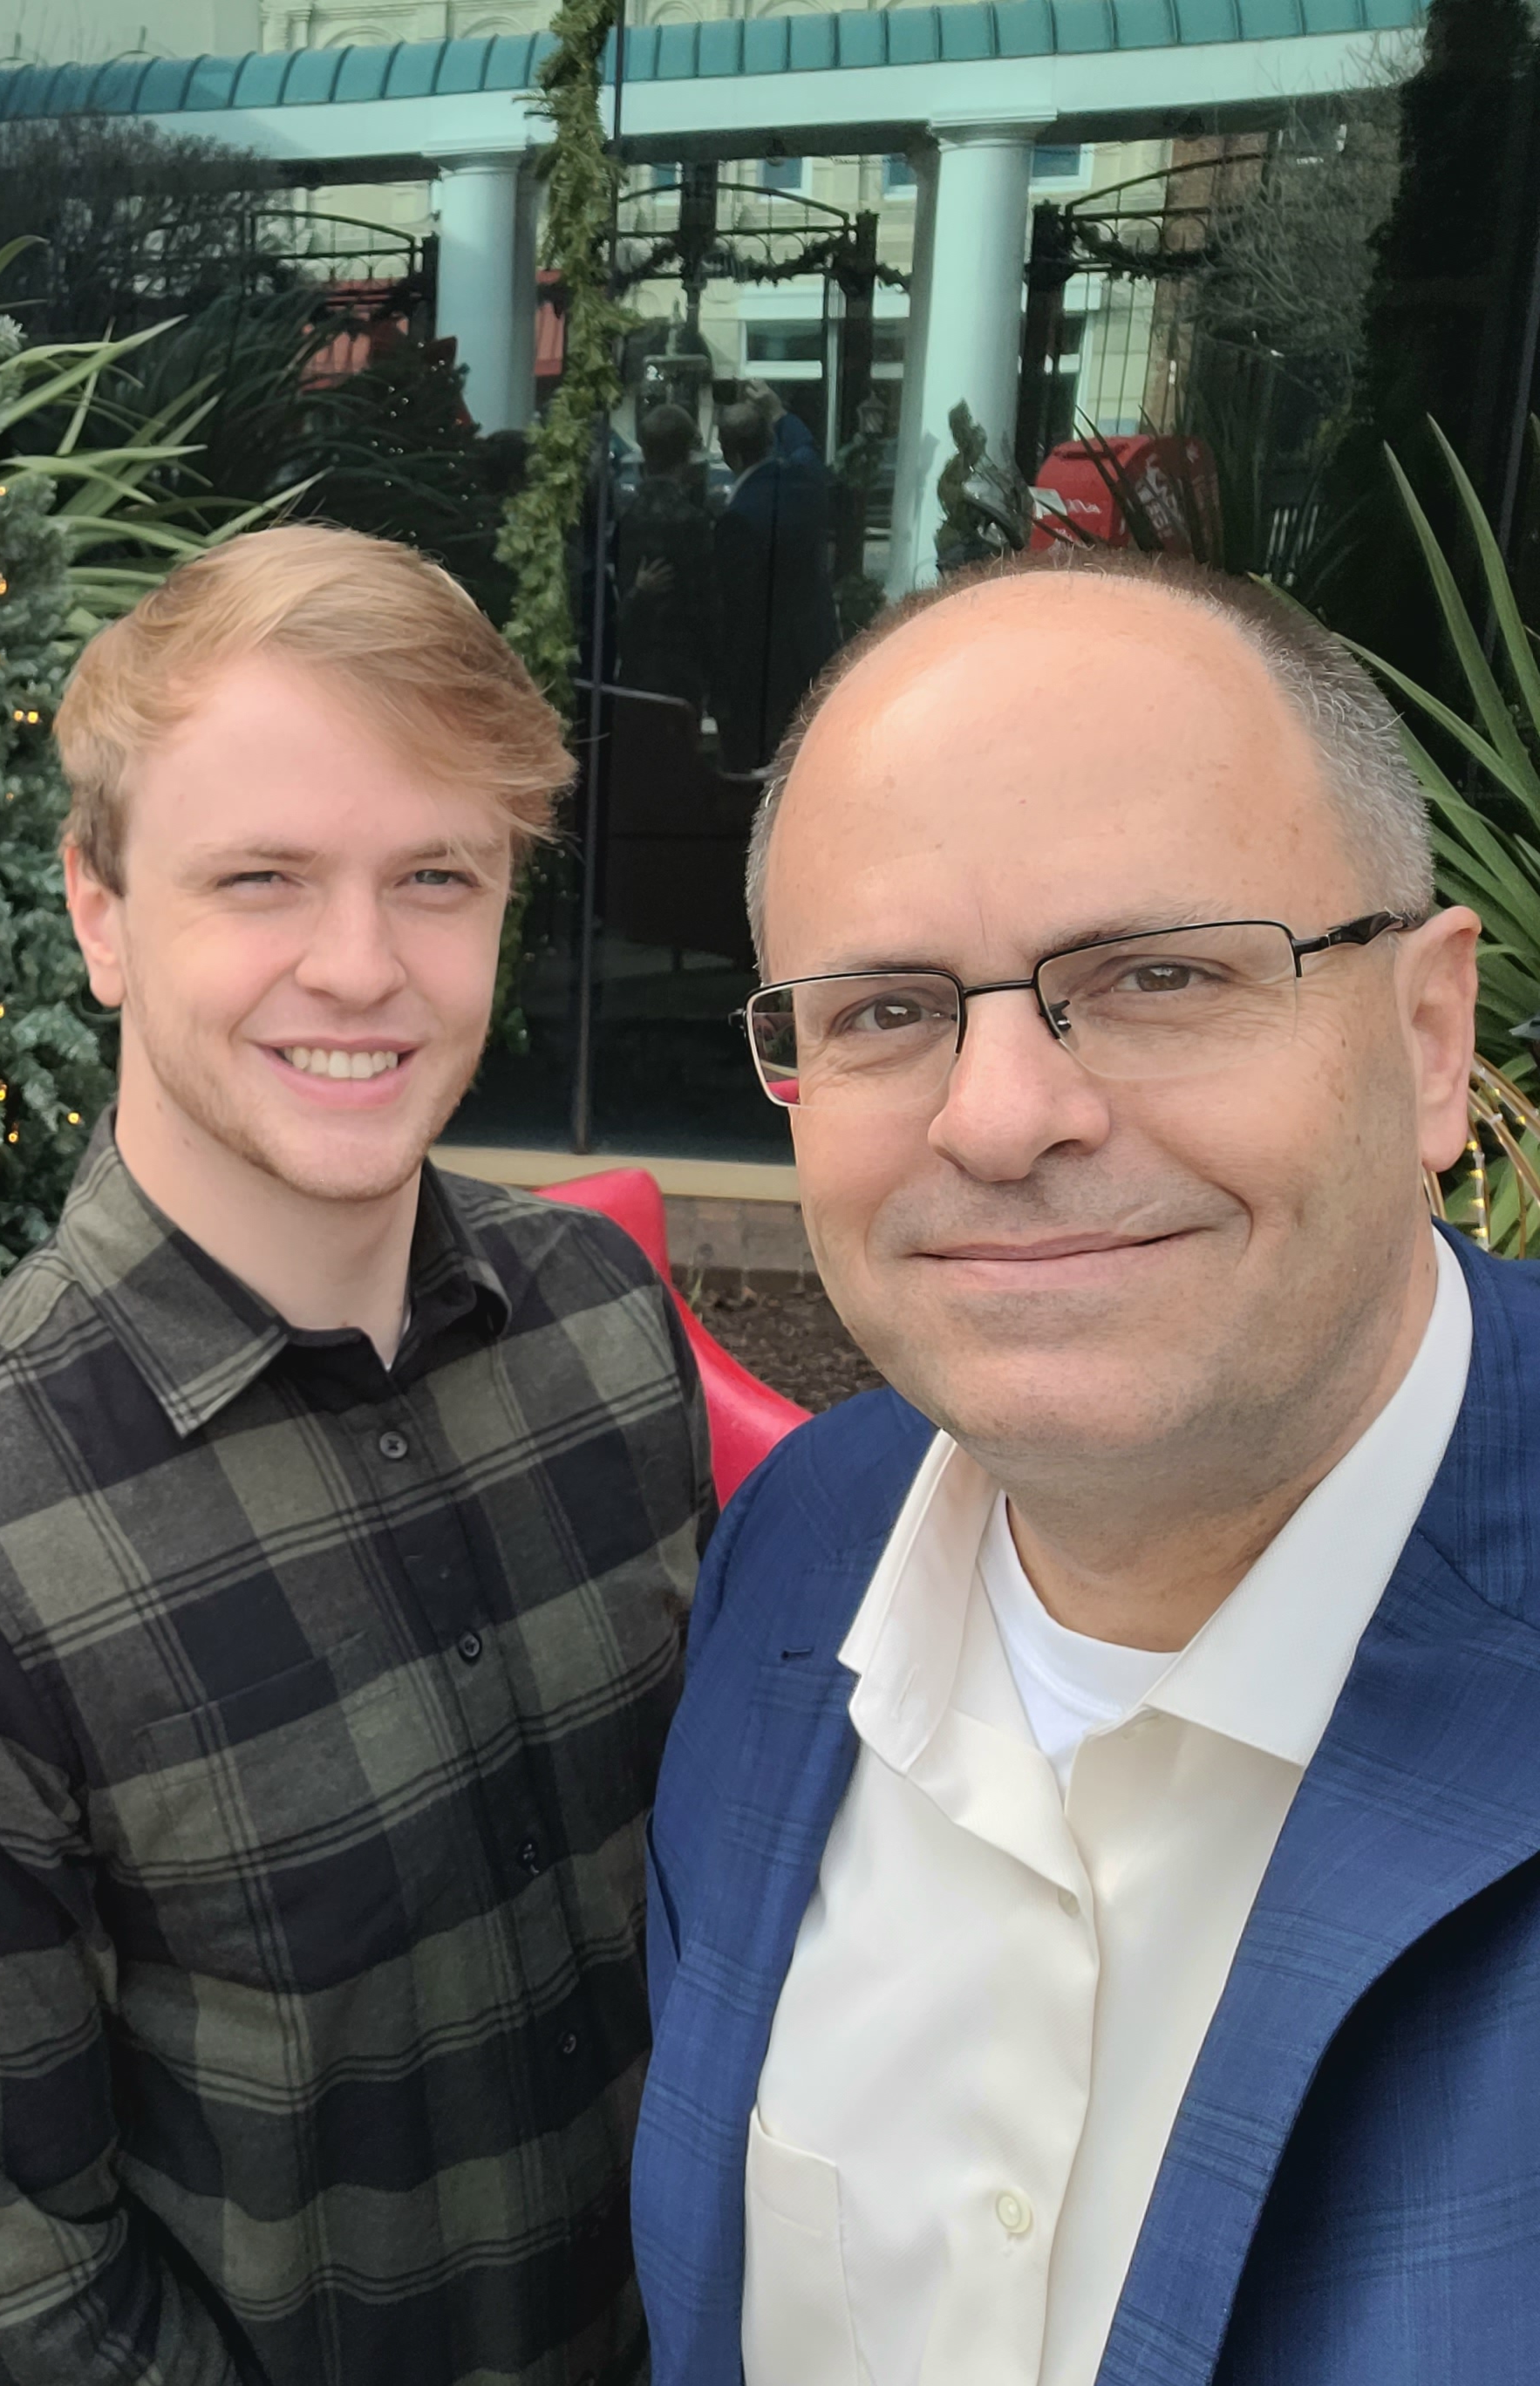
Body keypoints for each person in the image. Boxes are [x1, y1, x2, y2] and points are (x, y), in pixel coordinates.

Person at [0, 523, 717, 2385]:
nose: (360, 967)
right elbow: (41, 2286)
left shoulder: (607, 1328)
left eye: (435, 876)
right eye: (261, 879)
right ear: (100, 912)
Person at [634, 548, 1533, 2386]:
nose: (1000, 1117)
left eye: (1156, 975)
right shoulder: (796, 1552)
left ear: (1428, 1040)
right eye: (886, 1009)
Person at [707, 399, 839, 772]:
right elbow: (805, 450)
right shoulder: (806, 484)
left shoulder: (737, 519)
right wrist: (779, 413)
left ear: (729, 454)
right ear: (769, 439)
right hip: (813, 652)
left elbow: (735, 612)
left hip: (761, 677)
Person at [617, 402, 718, 712]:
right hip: (682, 670)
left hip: (635, 667)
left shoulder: (626, 518)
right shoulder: (693, 521)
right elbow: (705, 605)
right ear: (686, 457)